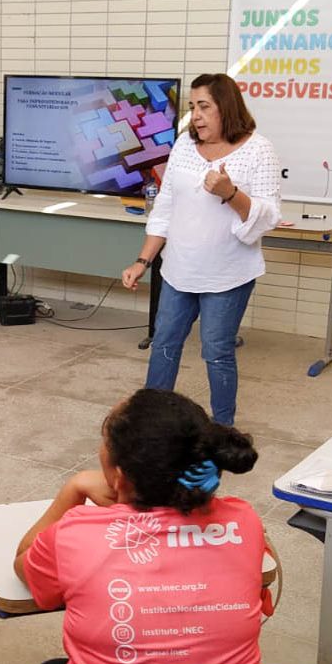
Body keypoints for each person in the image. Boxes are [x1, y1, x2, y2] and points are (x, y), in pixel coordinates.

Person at [15, 388, 267, 664]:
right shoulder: (245, 521)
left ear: (118, 476)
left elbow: (23, 564)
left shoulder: (73, 534)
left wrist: (72, 490)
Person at [120, 73, 282, 425]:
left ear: (226, 107)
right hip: (178, 270)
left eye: (204, 107)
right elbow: (165, 208)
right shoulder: (183, 145)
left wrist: (230, 193)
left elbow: (268, 217)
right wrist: (142, 260)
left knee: (217, 352)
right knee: (164, 344)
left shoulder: (259, 149)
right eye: (193, 107)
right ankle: (150, 423)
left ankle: (223, 429)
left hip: (228, 274)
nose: (196, 115)